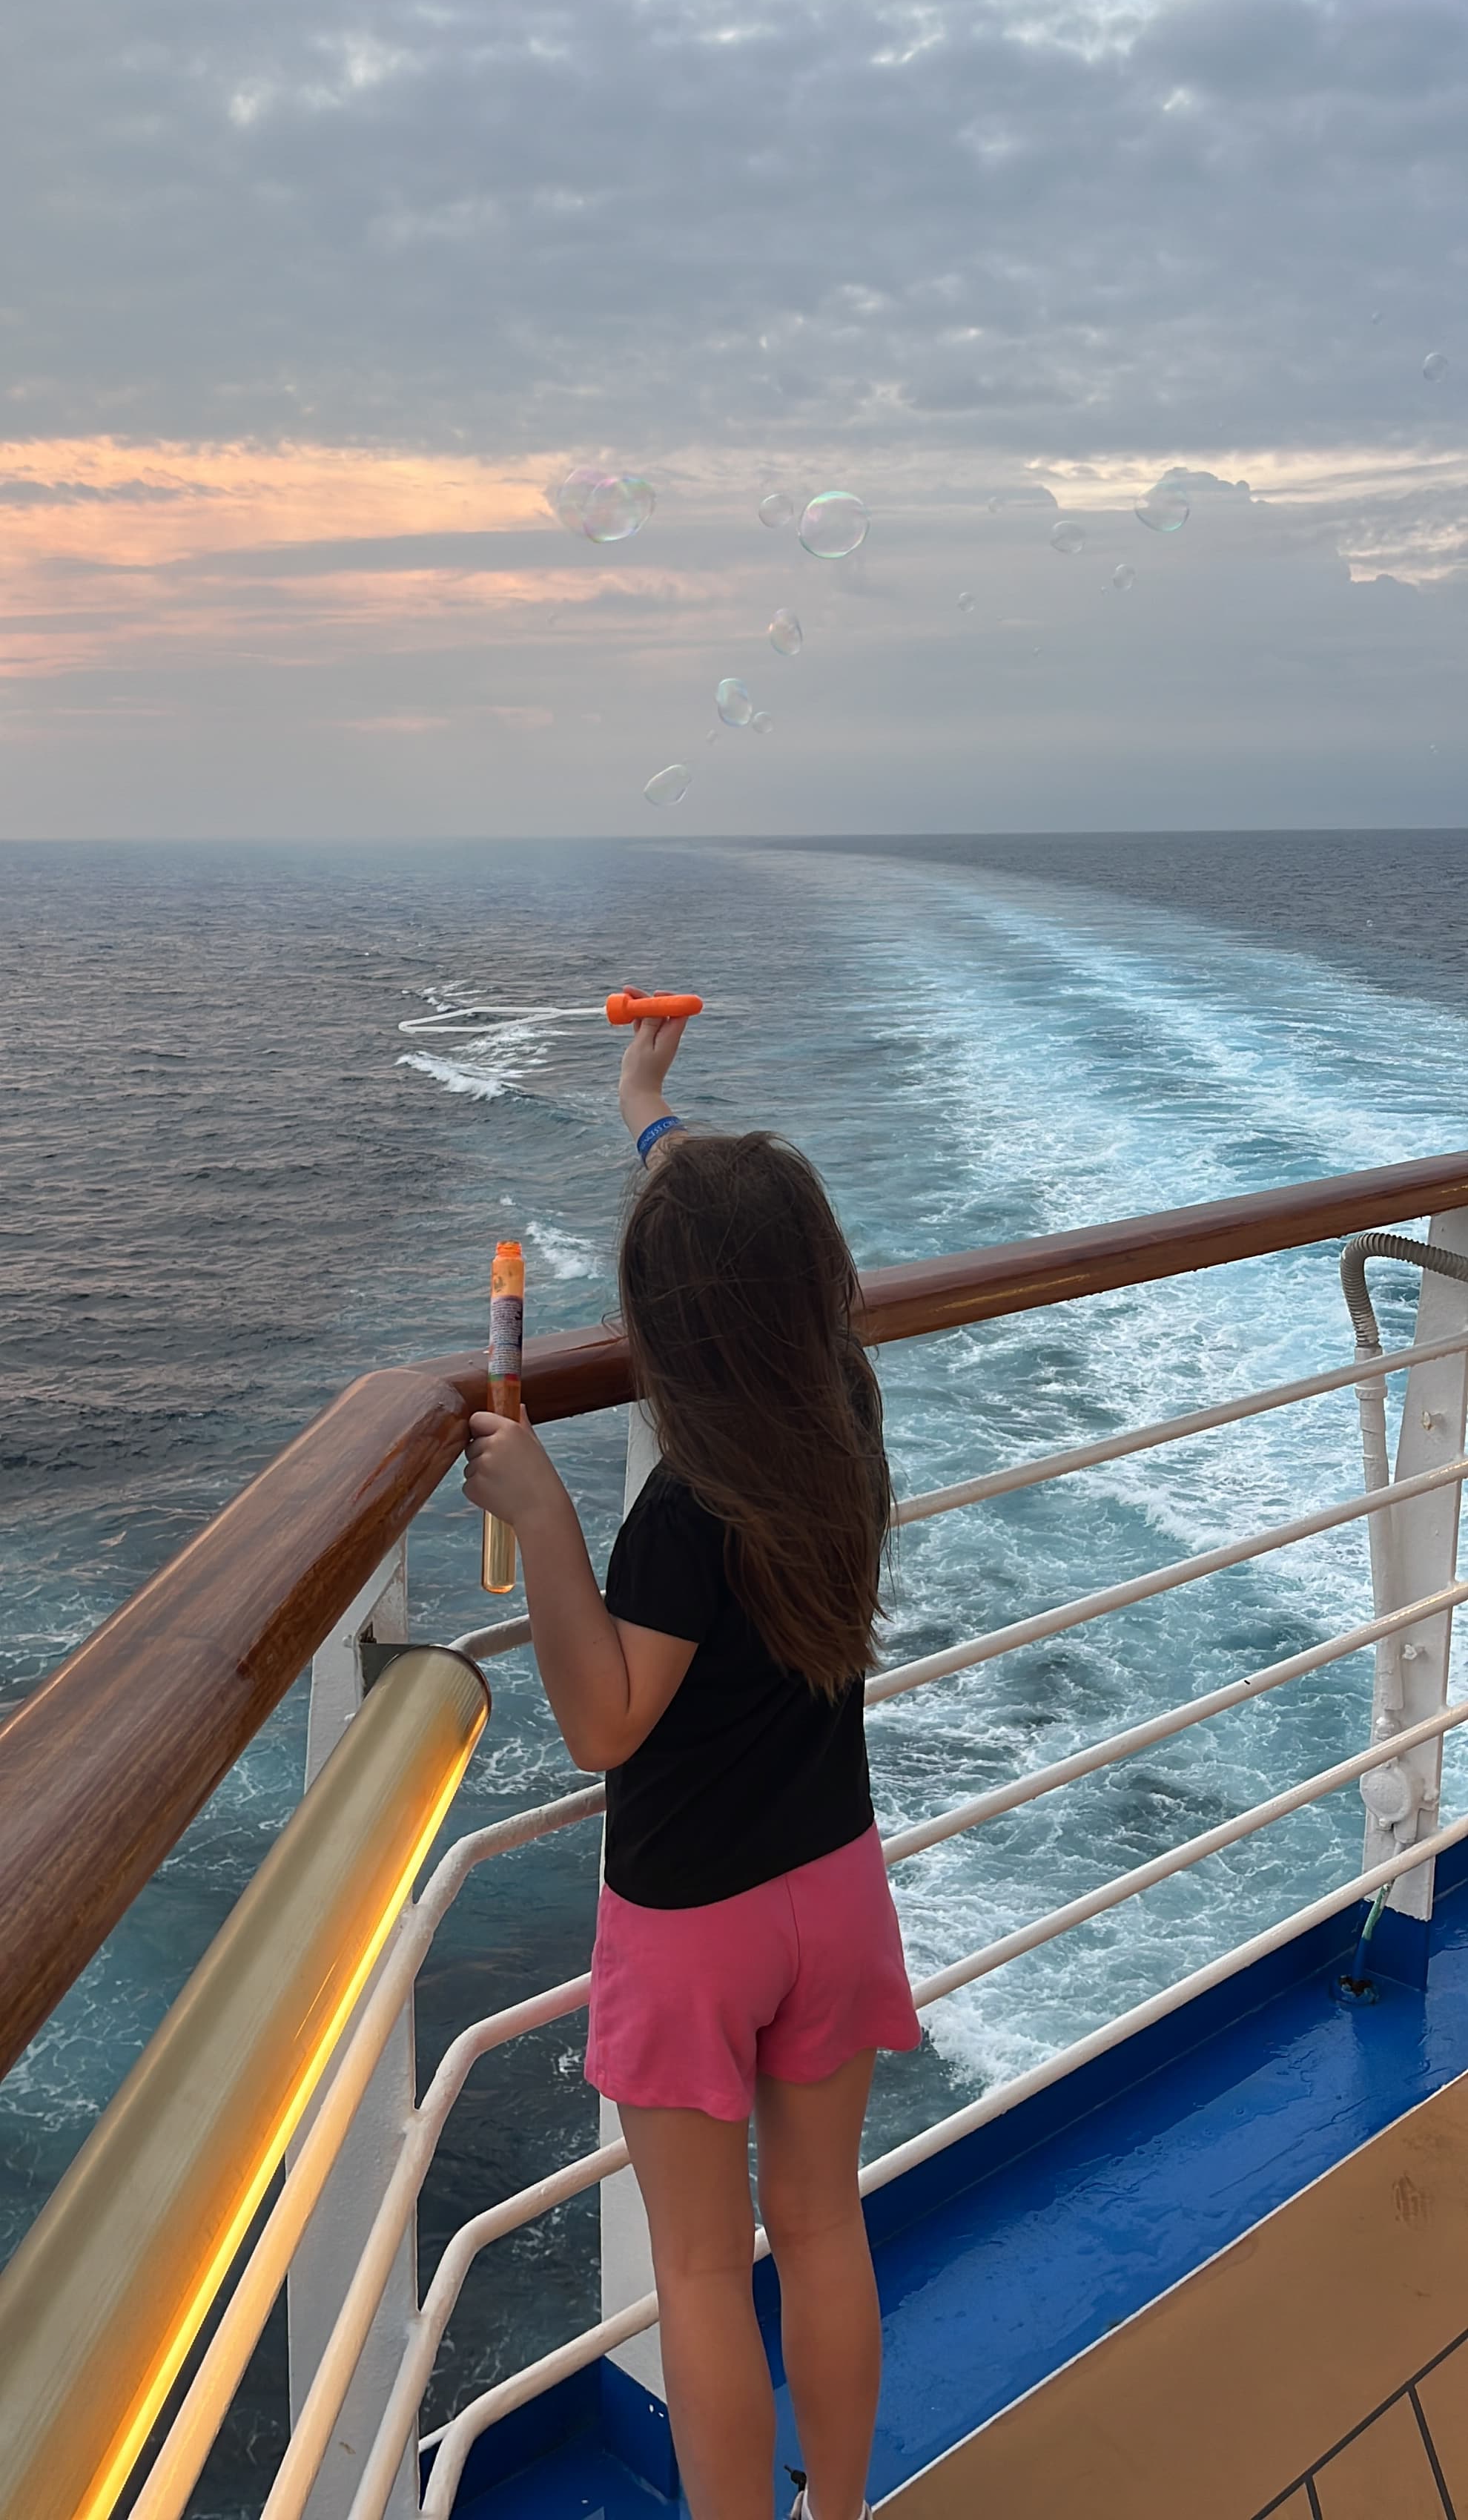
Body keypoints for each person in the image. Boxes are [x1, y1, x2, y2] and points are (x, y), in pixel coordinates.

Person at [463, 988, 920, 2520]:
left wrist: (538, 1516)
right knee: (825, 2226)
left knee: (704, 2272)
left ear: (665, 1323)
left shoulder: (680, 1510)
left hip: (693, 1924)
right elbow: (743, 1276)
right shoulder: (839, 1413)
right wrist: (649, 1115)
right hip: (835, 1884)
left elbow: (604, 1721)